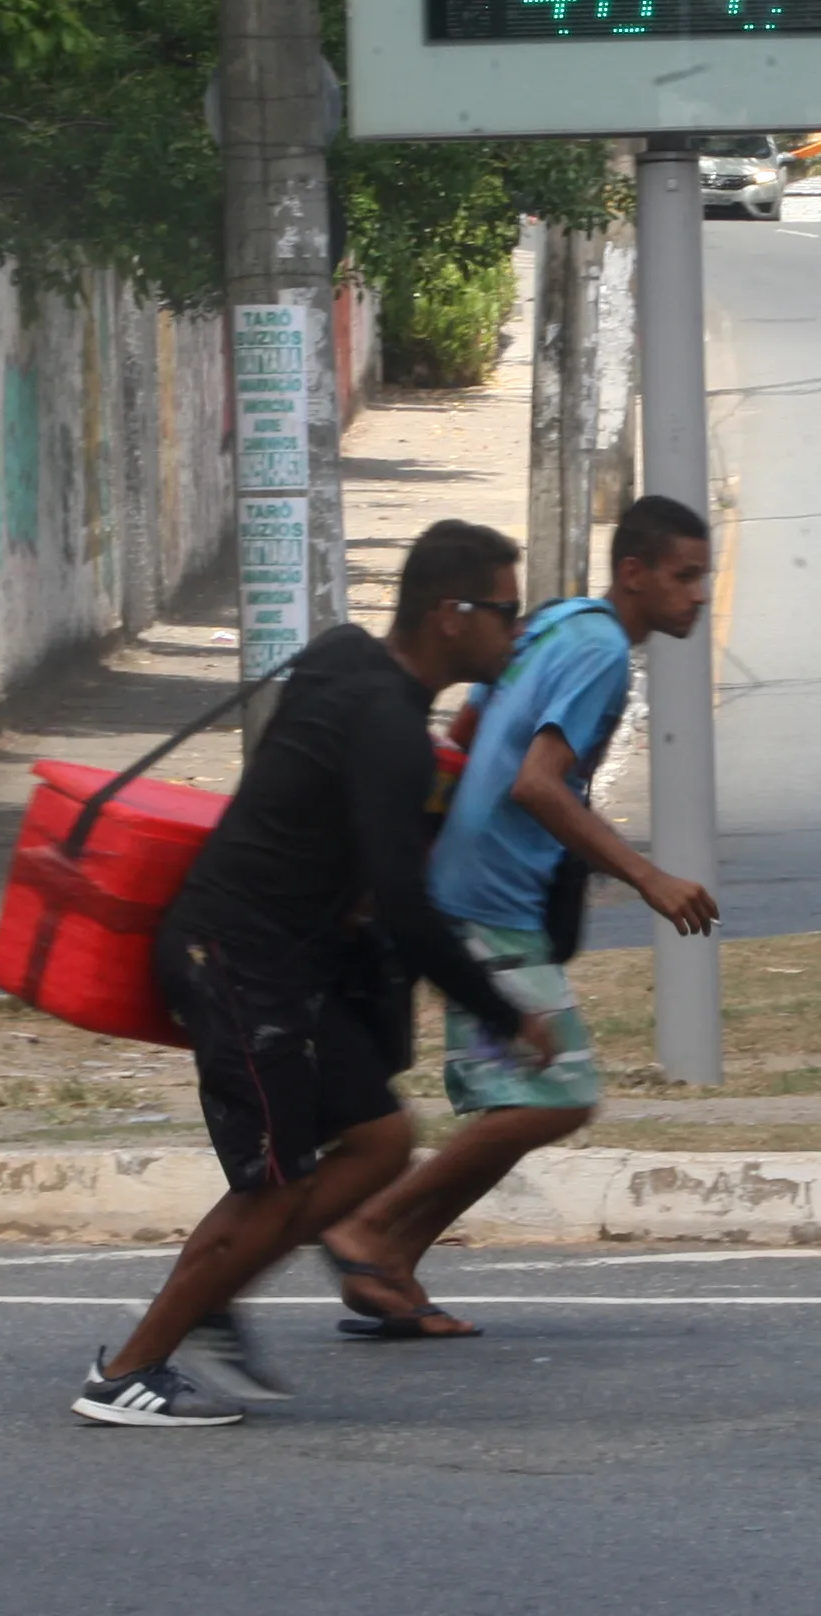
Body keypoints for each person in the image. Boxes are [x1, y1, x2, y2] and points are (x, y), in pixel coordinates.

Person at [71, 520, 547, 1428]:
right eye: (505, 612)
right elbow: (405, 907)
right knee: (275, 1186)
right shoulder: (392, 731)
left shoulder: (343, 660)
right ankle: (126, 1370)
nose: (514, 632)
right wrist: (502, 1011)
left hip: (275, 959)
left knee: (378, 1140)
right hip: (238, 960)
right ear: (452, 616)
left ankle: (214, 1297)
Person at [319, 496, 723, 1327]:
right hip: (486, 895)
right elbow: (536, 783)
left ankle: (389, 1262)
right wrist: (650, 879)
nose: (700, 595)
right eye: (684, 577)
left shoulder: (563, 620)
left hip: (478, 886)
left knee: (530, 1101)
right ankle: (367, 1226)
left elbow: (474, 718)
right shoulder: (602, 650)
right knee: (557, 1097)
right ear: (634, 574)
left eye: (703, 577)